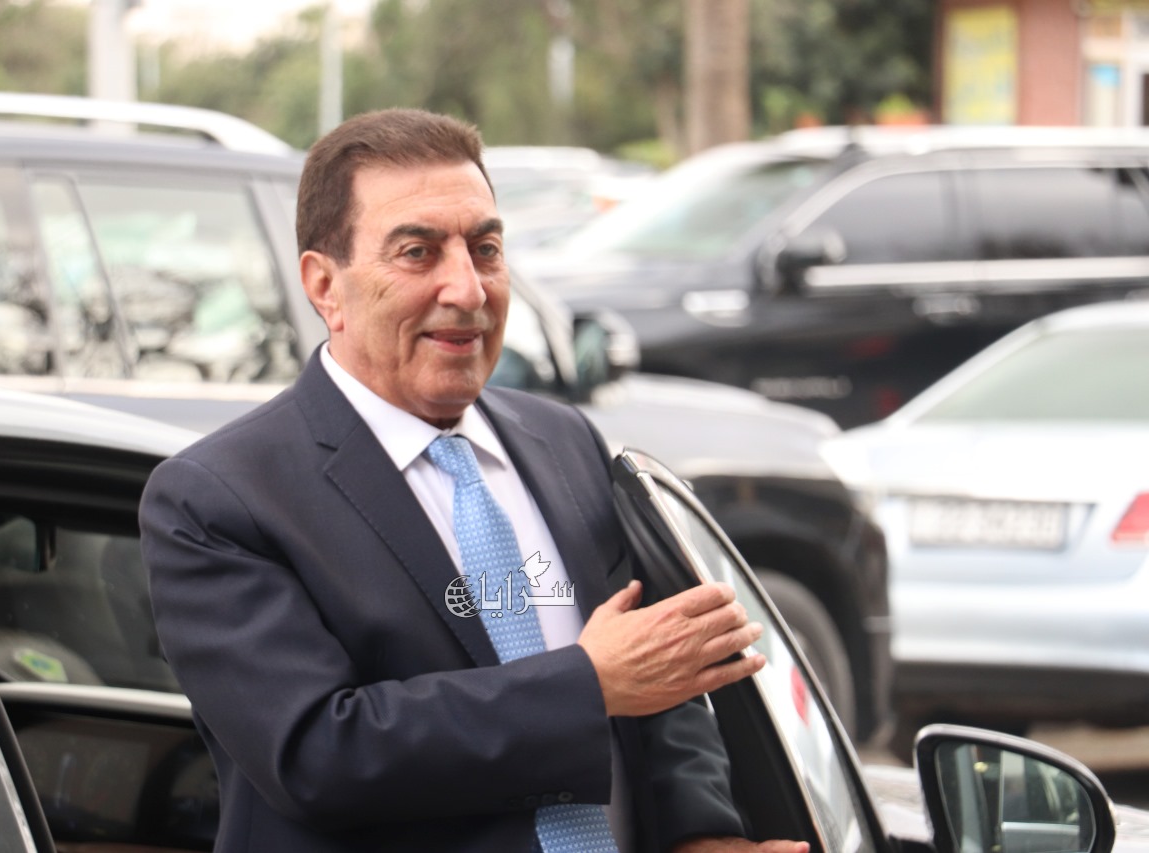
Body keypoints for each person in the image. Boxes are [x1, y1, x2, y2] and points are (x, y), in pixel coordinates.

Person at [139, 108, 811, 853]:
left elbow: (657, 676)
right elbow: (318, 754)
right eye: (418, 252)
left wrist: (700, 834)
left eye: (485, 249)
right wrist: (585, 686)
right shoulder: (219, 497)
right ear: (325, 285)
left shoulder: (563, 440)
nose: (467, 288)